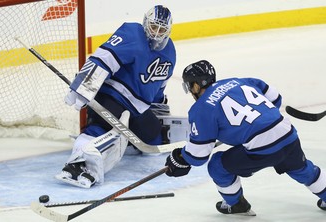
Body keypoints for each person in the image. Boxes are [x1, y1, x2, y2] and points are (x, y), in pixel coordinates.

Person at [164, 60, 326, 215]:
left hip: (262, 148)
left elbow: (197, 156)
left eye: (190, 87)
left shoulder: (201, 109)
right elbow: (275, 98)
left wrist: (180, 158)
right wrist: (260, 120)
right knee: (301, 168)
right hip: (287, 133)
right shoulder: (239, 81)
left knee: (217, 165)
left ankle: (236, 205)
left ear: (196, 85)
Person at [56, 5, 176, 188]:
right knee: (100, 127)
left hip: (138, 106)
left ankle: (123, 141)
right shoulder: (133, 33)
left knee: (153, 138)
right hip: (113, 96)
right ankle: (75, 163)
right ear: (146, 23)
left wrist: (159, 107)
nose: (157, 33)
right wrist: (86, 84)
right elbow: (104, 58)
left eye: (162, 29)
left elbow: (160, 87)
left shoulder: (170, 52)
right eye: (154, 27)